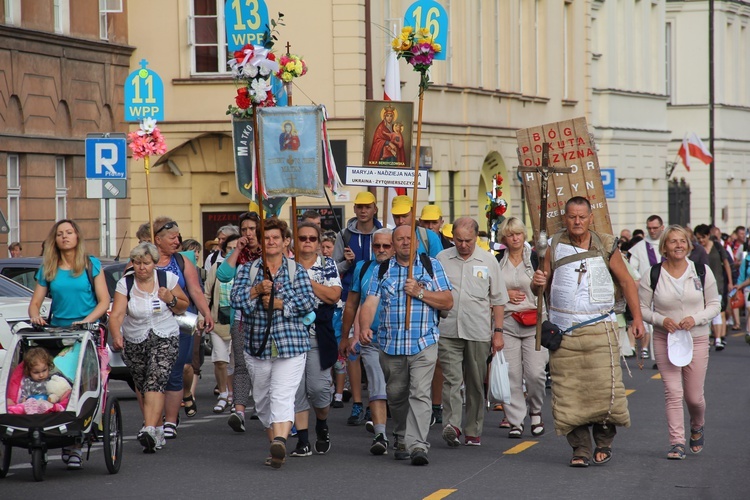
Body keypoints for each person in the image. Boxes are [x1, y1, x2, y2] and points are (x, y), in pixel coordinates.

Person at [531, 197, 645, 467]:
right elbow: (539, 289)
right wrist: (536, 283)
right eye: (572, 217)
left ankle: (603, 442)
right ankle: (580, 448)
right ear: (566, 218)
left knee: (605, 391)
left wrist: (637, 318)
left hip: (600, 330)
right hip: (564, 331)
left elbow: (627, 282)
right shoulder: (553, 246)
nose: (577, 221)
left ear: (590, 218)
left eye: (582, 217)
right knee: (569, 392)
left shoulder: (606, 244)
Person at [359, 224, 453, 466]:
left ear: (416, 243)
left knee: (419, 393)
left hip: (424, 342)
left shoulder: (431, 266)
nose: (404, 243)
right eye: (398, 239)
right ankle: (401, 436)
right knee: (396, 395)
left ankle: (418, 445)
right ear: (393, 244)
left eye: (408, 238)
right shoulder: (382, 271)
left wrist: (420, 293)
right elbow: (369, 303)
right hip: (390, 345)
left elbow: (448, 301)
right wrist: (364, 327)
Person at [230, 217, 316, 468]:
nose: (271, 242)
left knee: (282, 394)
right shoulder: (248, 270)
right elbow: (237, 301)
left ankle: (280, 437)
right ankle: (275, 446)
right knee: (264, 400)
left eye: (276, 238)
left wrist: (279, 302)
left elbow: (308, 302)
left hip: (291, 344)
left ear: (285, 241)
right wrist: (256, 291)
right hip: (257, 345)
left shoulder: (295, 270)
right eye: (266, 237)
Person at [27, 219, 110, 470]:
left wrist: (86, 321)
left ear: (77, 236)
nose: (65, 237)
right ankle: (44, 426)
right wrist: (34, 315)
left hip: (85, 332)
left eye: (69, 232)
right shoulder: (49, 268)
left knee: (76, 385)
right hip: (56, 332)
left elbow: (104, 301)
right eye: (60, 234)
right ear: (55, 239)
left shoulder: (90, 264)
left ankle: (73, 443)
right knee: (47, 379)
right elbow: (35, 302)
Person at [638, 225, 721, 460]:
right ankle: (676, 442)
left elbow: (714, 304)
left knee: (694, 396)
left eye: (682, 241)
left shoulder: (701, 271)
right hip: (666, 338)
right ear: (664, 246)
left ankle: (697, 424)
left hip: (696, 337)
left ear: (689, 245)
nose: (678, 245)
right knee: (673, 392)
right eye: (673, 241)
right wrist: (661, 320)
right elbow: (642, 308)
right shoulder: (653, 274)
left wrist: (695, 319)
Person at [108, 243, 189, 453]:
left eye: (146, 263)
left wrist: (170, 299)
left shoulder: (166, 279)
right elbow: (116, 314)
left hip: (165, 335)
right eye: (137, 262)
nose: (141, 267)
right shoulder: (125, 284)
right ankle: (157, 429)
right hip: (135, 339)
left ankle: (149, 428)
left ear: (154, 263)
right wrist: (117, 335)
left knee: (156, 378)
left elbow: (183, 305)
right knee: (143, 384)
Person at [436, 217, 507, 447]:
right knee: (451, 380)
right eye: (458, 240)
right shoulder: (441, 259)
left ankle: (473, 429)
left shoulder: (488, 261)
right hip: (448, 329)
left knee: (476, 382)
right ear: (452, 237)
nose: (463, 245)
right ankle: (452, 425)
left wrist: (498, 332)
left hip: (477, 330)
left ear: (476, 238)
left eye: (468, 240)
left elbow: (498, 300)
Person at [151, 217, 214, 438]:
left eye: (178, 236)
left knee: (177, 369)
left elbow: (196, 290)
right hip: (152, 324)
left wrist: (206, 313)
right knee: (155, 373)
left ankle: (170, 420)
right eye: (172, 237)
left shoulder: (182, 261)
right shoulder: (144, 260)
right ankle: (153, 419)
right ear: (157, 240)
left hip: (181, 322)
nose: (177, 240)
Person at [339, 228, 395, 455]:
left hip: (399, 338)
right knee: (376, 382)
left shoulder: (404, 269)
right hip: (370, 338)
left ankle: (402, 433)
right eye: (377, 246)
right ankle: (381, 434)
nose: (381, 250)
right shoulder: (363, 268)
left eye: (386, 246)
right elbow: (352, 304)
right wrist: (347, 336)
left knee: (399, 389)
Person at [391, 195, 445, 425]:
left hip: (427, 310)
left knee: (431, 365)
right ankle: (401, 423)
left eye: (404, 214)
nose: (400, 218)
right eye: (396, 215)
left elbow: (439, 268)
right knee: (398, 387)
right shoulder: (389, 236)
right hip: (397, 317)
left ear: (413, 214)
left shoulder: (428, 236)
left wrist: (424, 290)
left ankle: (435, 404)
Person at [290, 222, 342, 458]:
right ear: (295, 241)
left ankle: (322, 423)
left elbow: (333, 296)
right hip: (290, 335)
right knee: (296, 390)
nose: (307, 242)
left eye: (312, 238)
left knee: (319, 388)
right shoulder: (287, 266)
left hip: (317, 335)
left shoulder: (327, 265)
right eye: (302, 238)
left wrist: (306, 282)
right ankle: (302, 440)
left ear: (319, 242)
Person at [495, 217, 548, 439]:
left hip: (534, 322)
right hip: (507, 322)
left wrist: (538, 284)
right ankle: (516, 420)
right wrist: (506, 294)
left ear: (524, 235)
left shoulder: (536, 258)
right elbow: (492, 290)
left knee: (535, 373)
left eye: (518, 233)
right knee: (511, 374)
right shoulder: (498, 261)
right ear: (504, 238)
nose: (515, 238)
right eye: (510, 234)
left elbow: (543, 288)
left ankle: (535, 410)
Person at [332, 191, 382, 425]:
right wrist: (347, 261)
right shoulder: (345, 234)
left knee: (375, 352)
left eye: (367, 207)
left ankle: (377, 402)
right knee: (353, 352)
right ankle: (358, 403)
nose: (363, 211)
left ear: (374, 209)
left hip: (376, 295)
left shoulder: (384, 232)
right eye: (359, 207)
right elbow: (333, 268)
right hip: (350, 294)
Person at [218, 210, 261, 431]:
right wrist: (237, 249)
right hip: (242, 318)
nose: (248, 233)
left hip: (266, 319)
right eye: (244, 229)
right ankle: (240, 412)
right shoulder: (239, 254)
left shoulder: (269, 251)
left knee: (267, 366)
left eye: (252, 229)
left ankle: (270, 411)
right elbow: (224, 275)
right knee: (242, 367)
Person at [204, 234, 240, 414]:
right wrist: (204, 316)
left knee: (235, 361)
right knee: (220, 360)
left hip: (238, 321)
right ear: (224, 251)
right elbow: (206, 294)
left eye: (237, 248)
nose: (233, 251)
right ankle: (223, 393)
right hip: (217, 320)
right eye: (230, 248)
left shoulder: (243, 268)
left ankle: (233, 394)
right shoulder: (217, 268)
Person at [627, 215, 665, 359]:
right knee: (652, 325)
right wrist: (642, 280)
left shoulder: (669, 243)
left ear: (662, 227)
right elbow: (632, 269)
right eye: (649, 228)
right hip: (648, 290)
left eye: (655, 228)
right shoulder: (639, 247)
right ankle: (658, 357)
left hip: (669, 291)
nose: (652, 231)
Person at [694, 224, 733, 350]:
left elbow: (726, 263)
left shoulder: (717, 246)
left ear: (708, 235)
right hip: (701, 284)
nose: (701, 240)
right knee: (704, 312)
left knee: (717, 311)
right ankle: (707, 339)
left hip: (718, 283)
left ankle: (718, 339)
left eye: (703, 237)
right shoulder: (697, 249)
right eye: (698, 238)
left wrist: (730, 282)